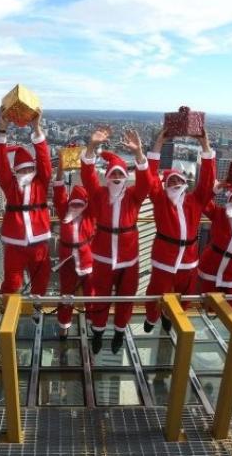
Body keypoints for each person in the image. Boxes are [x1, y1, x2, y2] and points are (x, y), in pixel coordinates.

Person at [80, 128, 150, 354]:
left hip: (129, 257)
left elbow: (146, 182)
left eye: (121, 174)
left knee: (127, 295)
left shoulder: (134, 196)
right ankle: (98, 331)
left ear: (126, 177)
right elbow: (87, 175)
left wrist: (139, 153)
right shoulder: (99, 194)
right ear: (108, 177)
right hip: (102, 255)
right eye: (114, 175)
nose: (118, 178)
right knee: (100, 295)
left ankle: (120, 331)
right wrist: (91, 147)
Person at [144, 128, 216, 333]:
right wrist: (159, 142)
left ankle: (170, 316)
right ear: (165, 186)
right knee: (156, 291)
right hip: (164, 257)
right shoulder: (160, 200)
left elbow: (208, 181)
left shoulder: (195, 200)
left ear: (186, 183)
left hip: (189, 258)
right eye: (171, 181)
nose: (175, 183)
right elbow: (150, 177)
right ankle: (151, 317)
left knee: (186, 293)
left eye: (179, 180)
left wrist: (205, 145)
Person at [0, 106, 52, 301]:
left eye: (29, 169)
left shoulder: (41, 183)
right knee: (11, 283)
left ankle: (37, 310)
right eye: (21, 170)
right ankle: (5, 311)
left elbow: (44, 159)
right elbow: (1, 163)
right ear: (16, 172)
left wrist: (36, 128)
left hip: (39, 242)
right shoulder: (9, 186)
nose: (26, 173)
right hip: (15, 244)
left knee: (41, 279)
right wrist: (2, 130)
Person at [52, 166, 95, 339]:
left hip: (87, 260)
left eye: (80, 204)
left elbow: (94, 191)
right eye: (74, 203)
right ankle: (64, 326)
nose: (76, 207)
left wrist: (87, 167)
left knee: (91, 294)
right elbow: (59, 191)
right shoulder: (64, 212)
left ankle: (94, 324)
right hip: (67, 261)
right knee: (66, 294)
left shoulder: (90, 214)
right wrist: (61, 169)